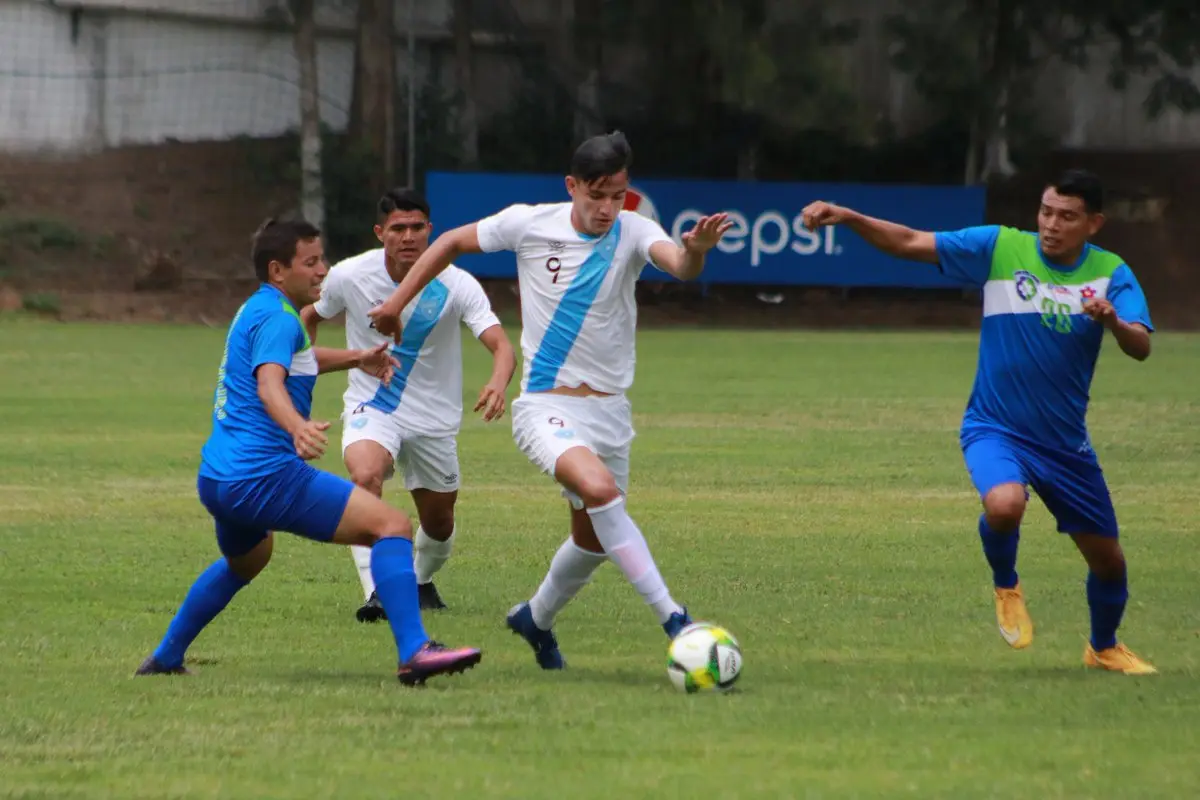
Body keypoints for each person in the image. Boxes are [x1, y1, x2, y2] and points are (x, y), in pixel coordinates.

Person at [368, 132, 733, 669]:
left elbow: (678, 264)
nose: (609, 208)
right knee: (600, 490)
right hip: (546, 406)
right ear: (572, 187)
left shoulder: (633, 230)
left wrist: (695, 253)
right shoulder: (529, 223)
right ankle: (674, 618)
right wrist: (398, 302)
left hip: (611, 412)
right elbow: (447, 243)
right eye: (597, 195)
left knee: (592, 541)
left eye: (618, 195)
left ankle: (534, 619)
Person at [801, 169, 1157, 675]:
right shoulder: (999, 248)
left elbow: (1141, 345)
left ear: (1094, 223)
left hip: (1064, 445)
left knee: (1109, 562)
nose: (1052, 225)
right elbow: (907, 242)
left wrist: (1113, 322)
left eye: (1067, 217)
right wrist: (851, 217)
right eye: (1046, 212)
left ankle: (1104, 647)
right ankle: (1006, 583)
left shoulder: (1111, 273)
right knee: (1005, 503)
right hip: (995, 427)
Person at [135, 218, 482, 685]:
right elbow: (269, 383)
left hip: (218, 477)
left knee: (247, 561)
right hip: (264, 476)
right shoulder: (281, 320)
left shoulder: (260, 310)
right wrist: (297, 426)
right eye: (312, 261)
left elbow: (297, 360)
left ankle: (165, 657)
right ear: (279, 270)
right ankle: (415, 651)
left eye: (323, 259)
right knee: (392, 525)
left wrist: (359, 357)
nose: (324, 270)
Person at [301, 189, 515, 621]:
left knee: (439, 524)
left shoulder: (457, 284)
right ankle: (378, 592)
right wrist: (299, 378)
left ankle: (419, 580)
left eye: (418, 227)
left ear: (431, 231)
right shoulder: (349, 276)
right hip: (373, 405)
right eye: (398, 228)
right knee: (365, 477)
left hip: (434, 420)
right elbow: (310, 316)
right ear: (380, 233)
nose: (409, 236)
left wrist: (497, 381)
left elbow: (501, 346)